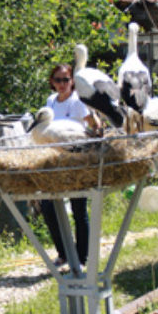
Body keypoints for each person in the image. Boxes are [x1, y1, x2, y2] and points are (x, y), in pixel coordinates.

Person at [39, 64, 98, 268]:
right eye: (58, 80)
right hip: (54, 161)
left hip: (75, 160)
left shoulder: (77, 101)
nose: (62, 84)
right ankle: (64, 252)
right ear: (52, 82)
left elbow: (94, 124)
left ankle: (82, 258)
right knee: (48, 207)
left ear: (72, 81)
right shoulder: (50, 102)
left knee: (78, 208)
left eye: (66, 80)